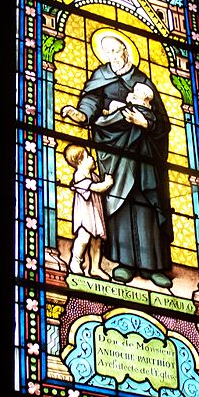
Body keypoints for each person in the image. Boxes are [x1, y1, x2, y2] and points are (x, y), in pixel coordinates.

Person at [61, 31, 174, 288]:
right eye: (108, 51)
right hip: (113, 147)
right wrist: (81, 114)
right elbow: (91, 101)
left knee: (146, 201)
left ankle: (153, 266)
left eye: (117, 50)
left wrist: (144, 121)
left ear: (126, 51)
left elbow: (162, 121)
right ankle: (123, 263)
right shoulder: (101, 76)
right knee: (119, 201)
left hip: (143, 151)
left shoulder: (142, 80)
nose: (113, 56)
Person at [63, 143, 114, 280]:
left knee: (97, 241)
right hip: (85, 214)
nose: (92, 158)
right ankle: (75, 261)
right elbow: (96, 188)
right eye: (88, 156)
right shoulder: (79, 175)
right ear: (79, 161)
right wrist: (107, 183)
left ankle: (95, 267)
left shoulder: (93, 175)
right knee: (84, 237)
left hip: (96, 212)